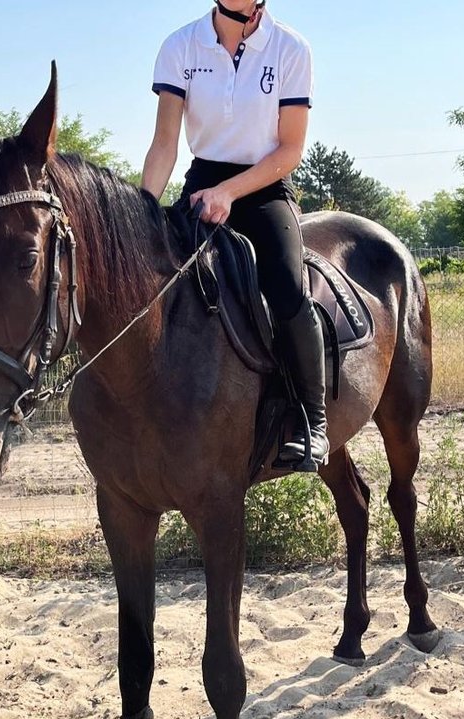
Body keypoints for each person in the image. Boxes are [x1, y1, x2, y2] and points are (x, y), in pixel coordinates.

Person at [141, 0, 327, 470]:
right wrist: (141, 213)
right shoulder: (181, 45)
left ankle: (313, 420)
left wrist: (230, 191)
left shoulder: (290, 48)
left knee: (286, 287)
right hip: (201, 183)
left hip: (265, 188)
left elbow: (290, 149)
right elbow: (165, 143)